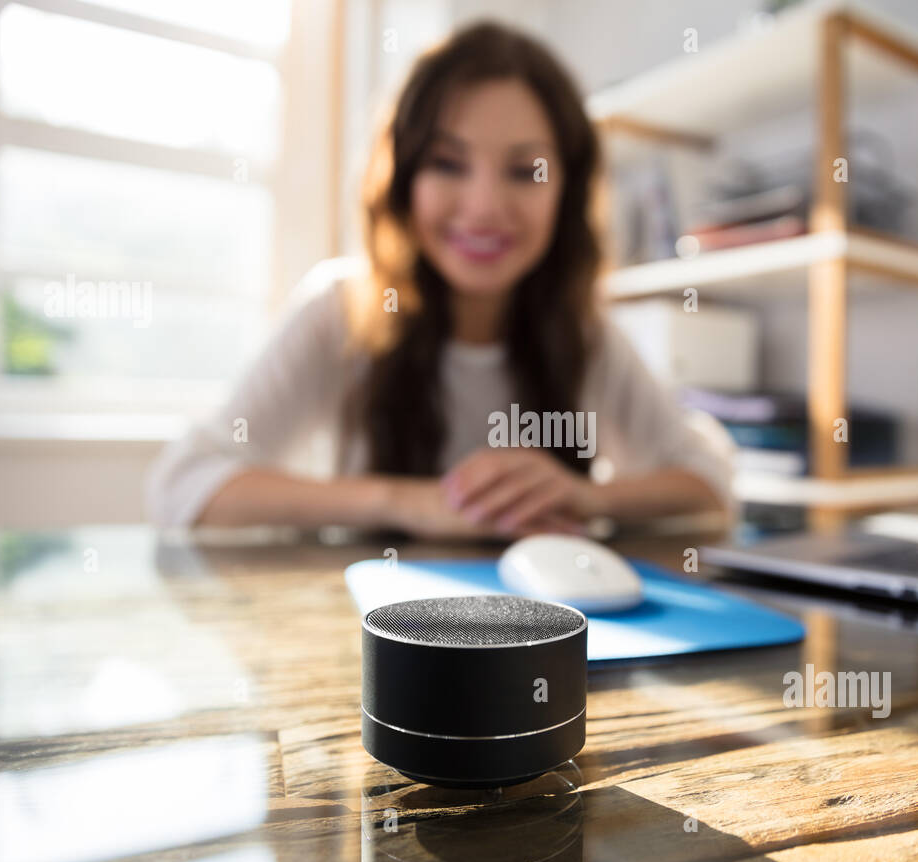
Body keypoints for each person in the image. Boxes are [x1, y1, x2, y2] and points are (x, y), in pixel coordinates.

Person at [145, 20, 736, 540]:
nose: (482, 206)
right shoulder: (342, 310)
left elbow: (711, 486)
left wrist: (587, 497)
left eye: (525, 170)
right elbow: (184, 484)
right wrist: (407, 501)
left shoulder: (584, 336)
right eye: (446, 163)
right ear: (403, 180)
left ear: (568, 192)